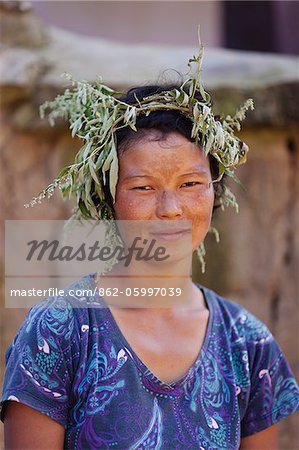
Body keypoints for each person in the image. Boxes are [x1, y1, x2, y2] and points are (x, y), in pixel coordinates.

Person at [1, 49, 299, 450]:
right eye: (143, 187)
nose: (171, 209)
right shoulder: (59, 331)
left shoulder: (247, 344)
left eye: (191, 184)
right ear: (109, 201)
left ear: (216, 192)